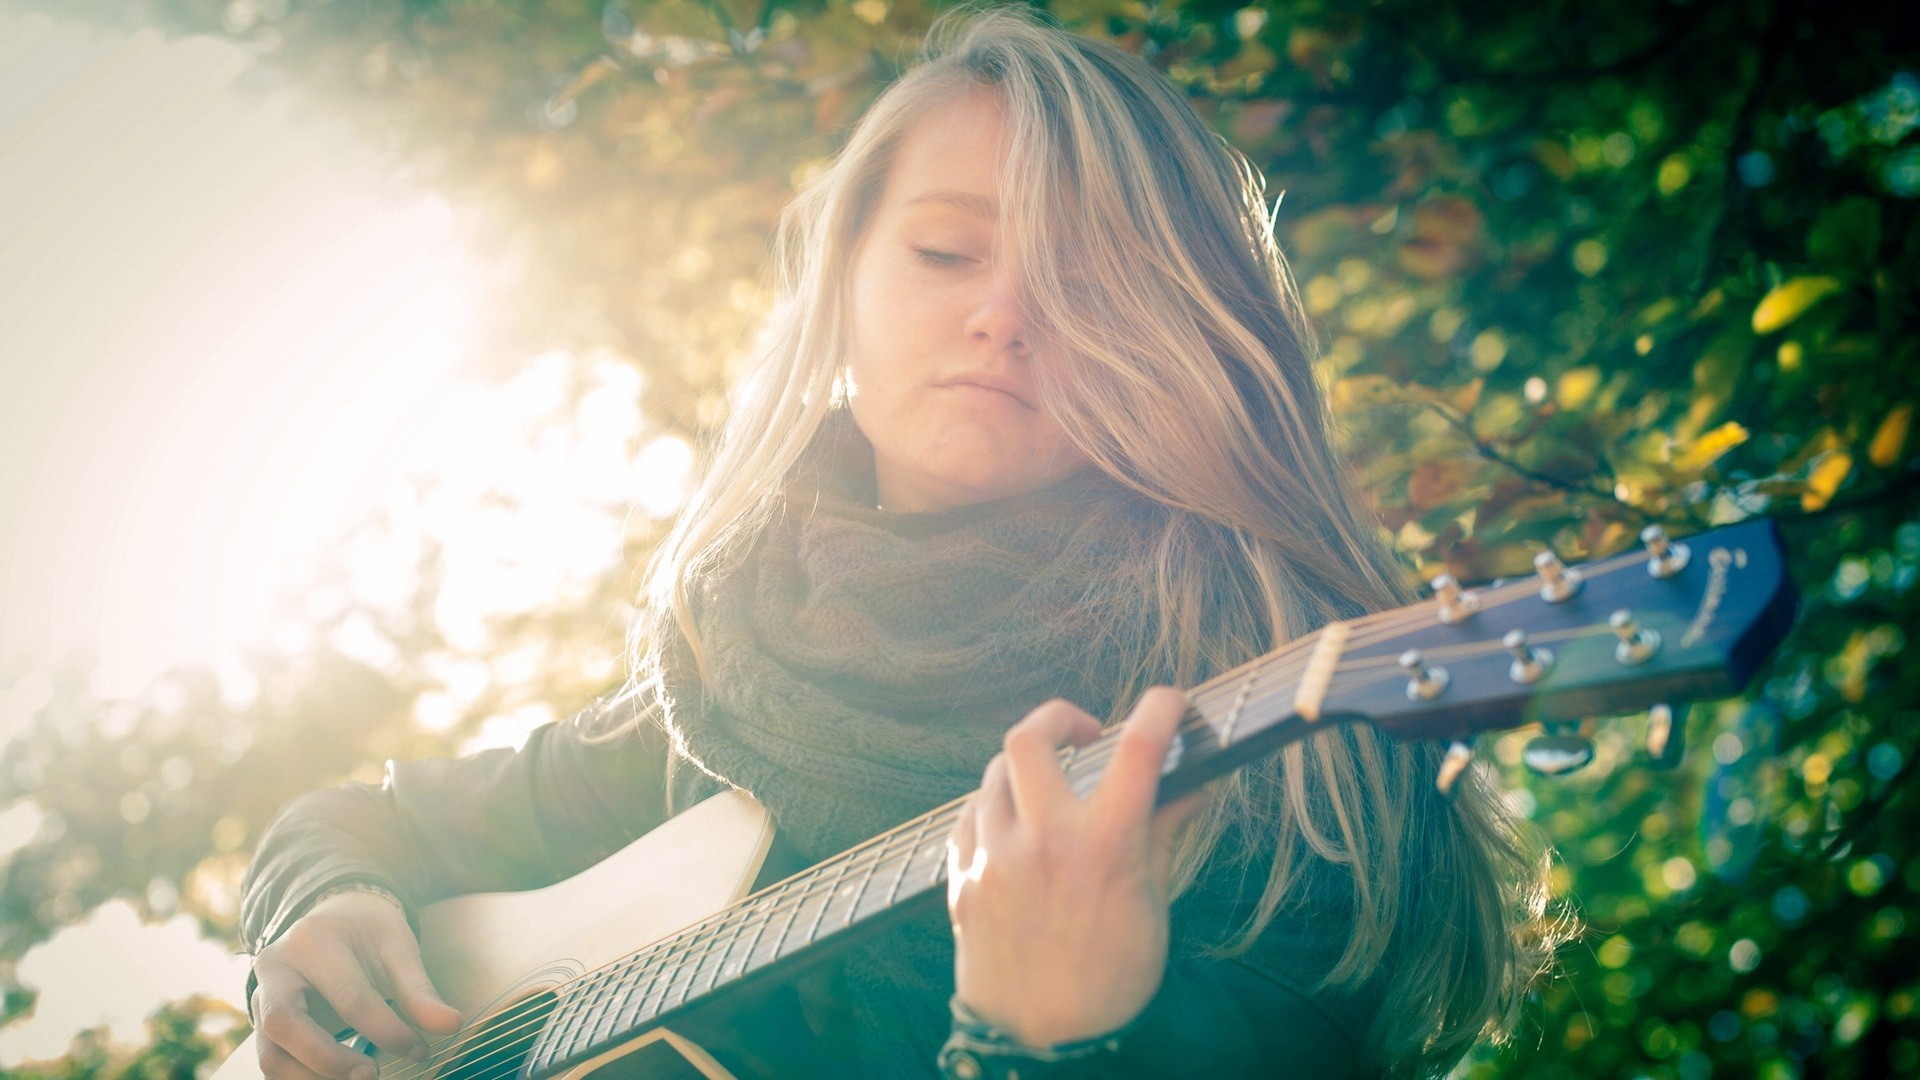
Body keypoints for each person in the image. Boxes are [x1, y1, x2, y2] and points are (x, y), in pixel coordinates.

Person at [238, 5, 1555, 1078]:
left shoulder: (1291, 783)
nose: (1003, 316)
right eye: (943, 251)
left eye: (1084, 281)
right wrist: (319, 902)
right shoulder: (730, 676)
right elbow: (361, 816)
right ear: (844, 281)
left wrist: (1043, 1047)